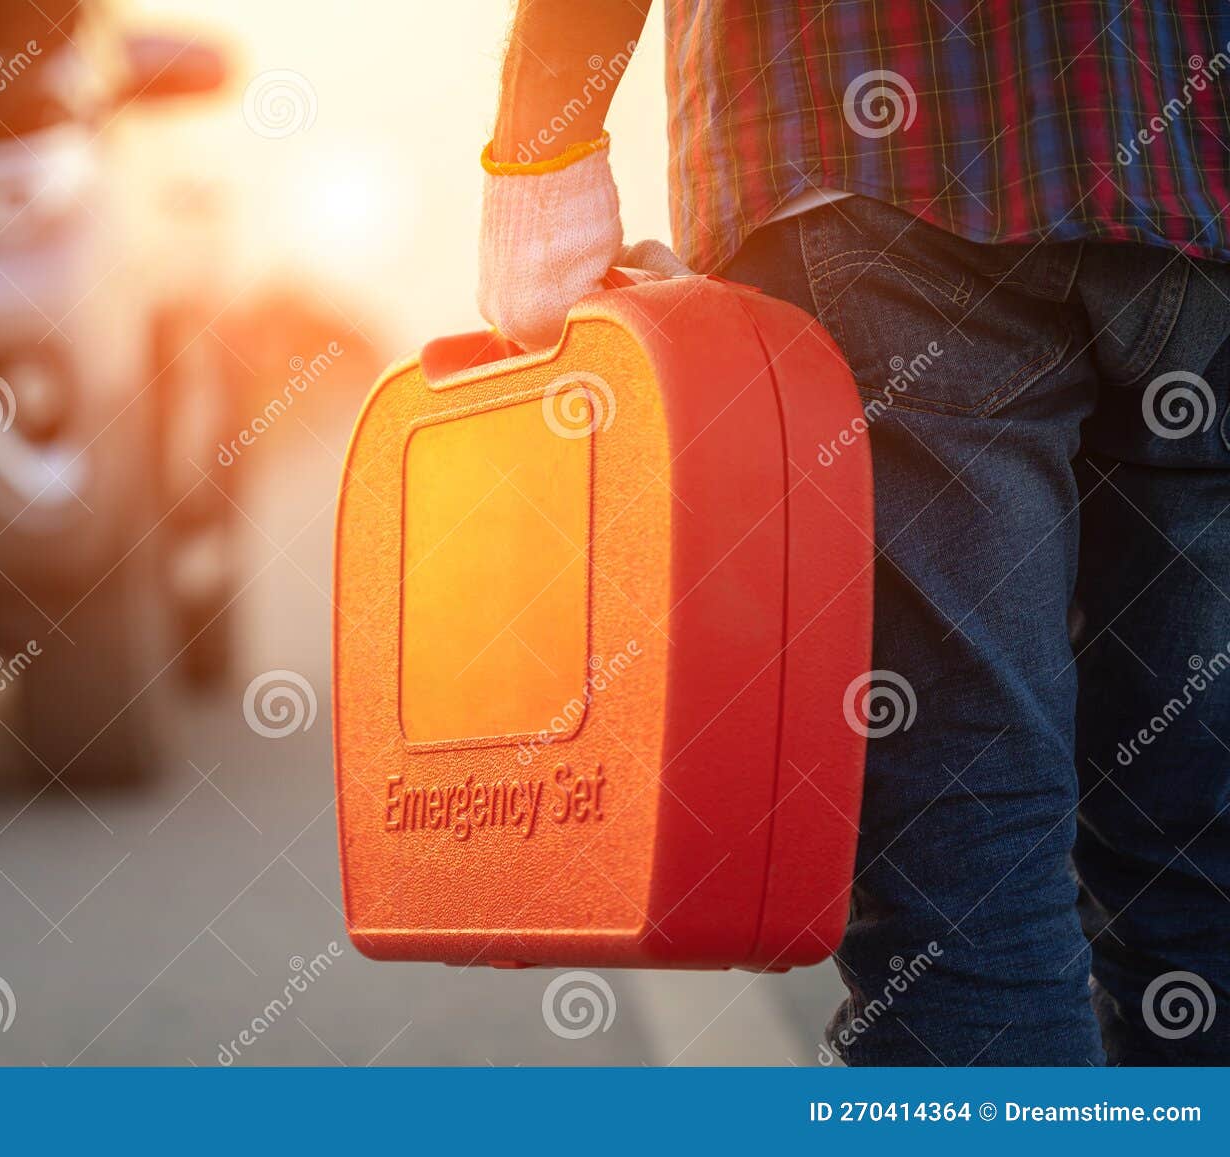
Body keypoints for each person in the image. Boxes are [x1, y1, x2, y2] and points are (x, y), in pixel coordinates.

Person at [479, 0, 1230, 1066]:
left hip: (880, 164)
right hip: (1195, 186)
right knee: (1196, 858)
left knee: (964, 871)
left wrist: (540, 167)